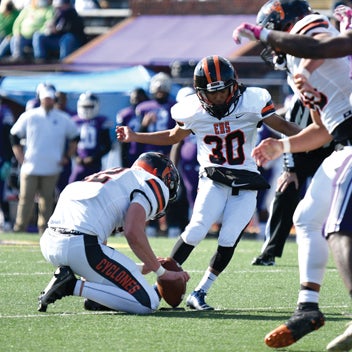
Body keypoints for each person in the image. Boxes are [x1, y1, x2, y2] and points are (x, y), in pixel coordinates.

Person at [117, 55, 301, 311]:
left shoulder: (252, 101)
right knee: (197, 228)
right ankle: (164, 279)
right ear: (201, 93)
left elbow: (282, 125)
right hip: (214, 177)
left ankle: (200, 292)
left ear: (233, 86)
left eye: (223, 91)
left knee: (228, 237)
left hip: (247, 179)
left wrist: (322, 134)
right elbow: (173, 136)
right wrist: (136, 135)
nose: (218, 98)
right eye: (212, 94)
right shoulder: (192, 110)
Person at [239, 0, 352, 349]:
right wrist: (282, 147)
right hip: (343, 141)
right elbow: (322, 131)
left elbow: (319, 46)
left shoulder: (308, 27)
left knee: (338, 229)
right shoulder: (297, 64)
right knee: (305, 217)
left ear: (280, 23)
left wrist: (263, 34)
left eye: (271, 34)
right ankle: (308, 308)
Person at [37, 152, 190, 314]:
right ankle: (71, 286)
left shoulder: (117, 178)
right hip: (79, 244)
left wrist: (139, 268)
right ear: (158, 173)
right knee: (148, 302)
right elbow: (133, 232)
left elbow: (99, 246)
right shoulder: (152, 183)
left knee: (118, 284)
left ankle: (96, 298)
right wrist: (161, 272)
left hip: (50, 243)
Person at [252, 95, 334, 266]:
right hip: (301, 151)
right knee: (286, 188)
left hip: (332, 152)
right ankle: (269, 251)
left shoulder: (338, 96)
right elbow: (287, 133)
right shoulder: (301, 100)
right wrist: (290, 170)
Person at [10, 85, 79, 235]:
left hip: (52, 166)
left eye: (50, 99)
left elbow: (75, 136)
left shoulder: (62, 118)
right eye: (45, 98)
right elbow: (14, 135)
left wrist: (67, 156)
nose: (48, 101)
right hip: (31, 165)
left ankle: (45, 229)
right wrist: (20, 156)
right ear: (41, 99)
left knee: (47, 200)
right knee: (25, 198)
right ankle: (20, 227)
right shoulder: (30, 116)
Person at [232, 4, 352, 60]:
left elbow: (317, 48)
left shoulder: (310, 22)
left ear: (288, 27)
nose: (273, 50)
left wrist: (264, 34)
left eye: (276, 33)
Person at [69, 91, 112, 183]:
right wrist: (76, 156)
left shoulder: (101, 121)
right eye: (85, 106)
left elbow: (107, 145)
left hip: (95, 164)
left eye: (90, 106)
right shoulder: (74, 121)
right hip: (79, 163)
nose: (87, 109)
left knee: (96, 189)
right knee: (72, 187)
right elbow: (71, 143)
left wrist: (94, 158)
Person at [116, 87, 150, 168]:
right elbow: (122, 141)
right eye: (135, 98)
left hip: (148, 150)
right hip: (132, 151)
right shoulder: (125, 114)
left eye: (139, 98)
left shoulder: (150, 111)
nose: (137, 101)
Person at [0, 96, 15, 231]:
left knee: (2, 191)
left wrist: (8, 158)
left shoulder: (5, 112)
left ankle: (7, 220)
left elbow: (9, 136)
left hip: (1, 159)